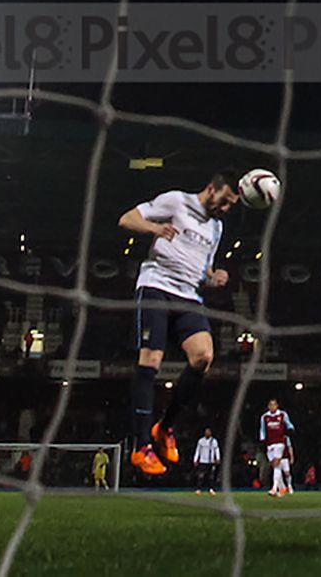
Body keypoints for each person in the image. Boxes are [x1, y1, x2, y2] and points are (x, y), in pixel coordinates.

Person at [119, 172, 238, 476]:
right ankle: (141, 446)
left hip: (188, 296)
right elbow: (127, 219)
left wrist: (213, 277)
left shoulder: (216, 227)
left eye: (231, 205)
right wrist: (154, 228)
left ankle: (164, 427)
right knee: (151, 360)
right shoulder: (176, 201)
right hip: (156, 286)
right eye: (224, 201)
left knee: (203, 357)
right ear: (211, 188)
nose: (226, 209)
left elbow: (202, 268)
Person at [259, 398, 296, 497]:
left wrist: (291, 429)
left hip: (279, 442)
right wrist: (262, 440)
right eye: (270, 405)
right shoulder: (264, 417)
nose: (272, 407)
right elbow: (262, 429)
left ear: (277, 405)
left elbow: (289, 423)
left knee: (277, 464)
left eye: (274, 405)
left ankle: (274, 488)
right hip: (269, 444)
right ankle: (282, 487)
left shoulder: (282, 414)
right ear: (268, 406)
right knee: (275, 466)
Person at [192, 427, 221, 495]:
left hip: (211, 461)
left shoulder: (214, 441)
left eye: (208, 432)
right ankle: (198, 489)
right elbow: (198, 450)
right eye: (206, 432)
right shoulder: (201, 441)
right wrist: (195, 459)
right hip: (203, 461)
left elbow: (216, 450)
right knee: (201, 476)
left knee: (211, 476)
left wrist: (218, 458)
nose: (207, 433)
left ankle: (211, 489)